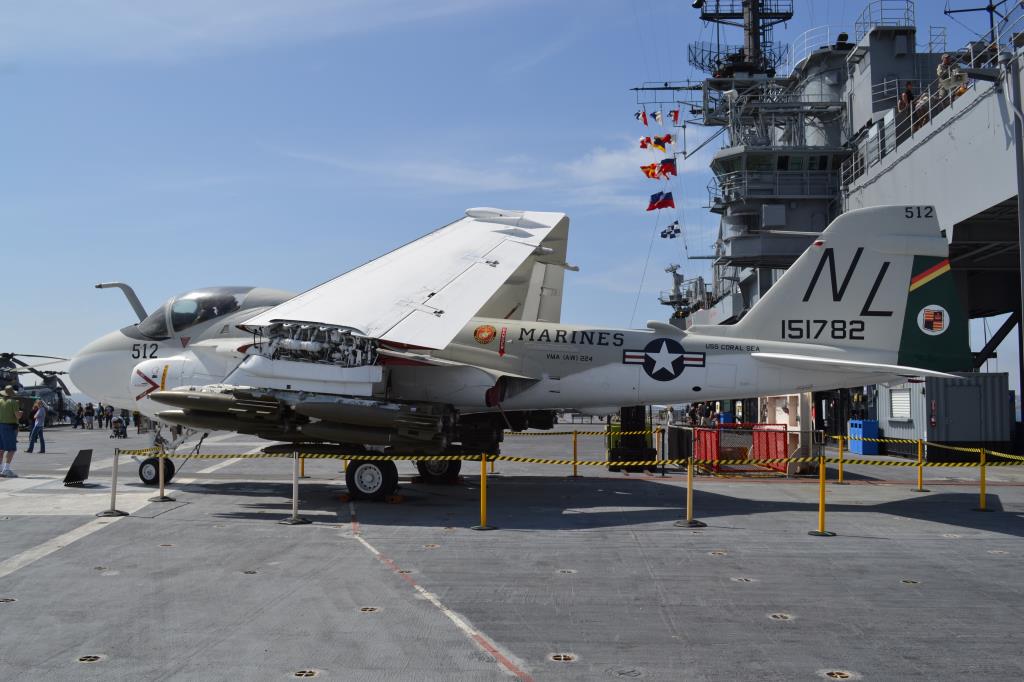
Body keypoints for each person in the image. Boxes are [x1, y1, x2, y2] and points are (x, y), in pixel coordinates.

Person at [0, 386, 24, 477]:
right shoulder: (13, 402)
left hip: (0, 425)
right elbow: (17, 416)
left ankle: (0, 468)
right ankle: (6, 469)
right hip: (9, 426)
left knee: (1, 449)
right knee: (11, 449)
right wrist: (21, 413)